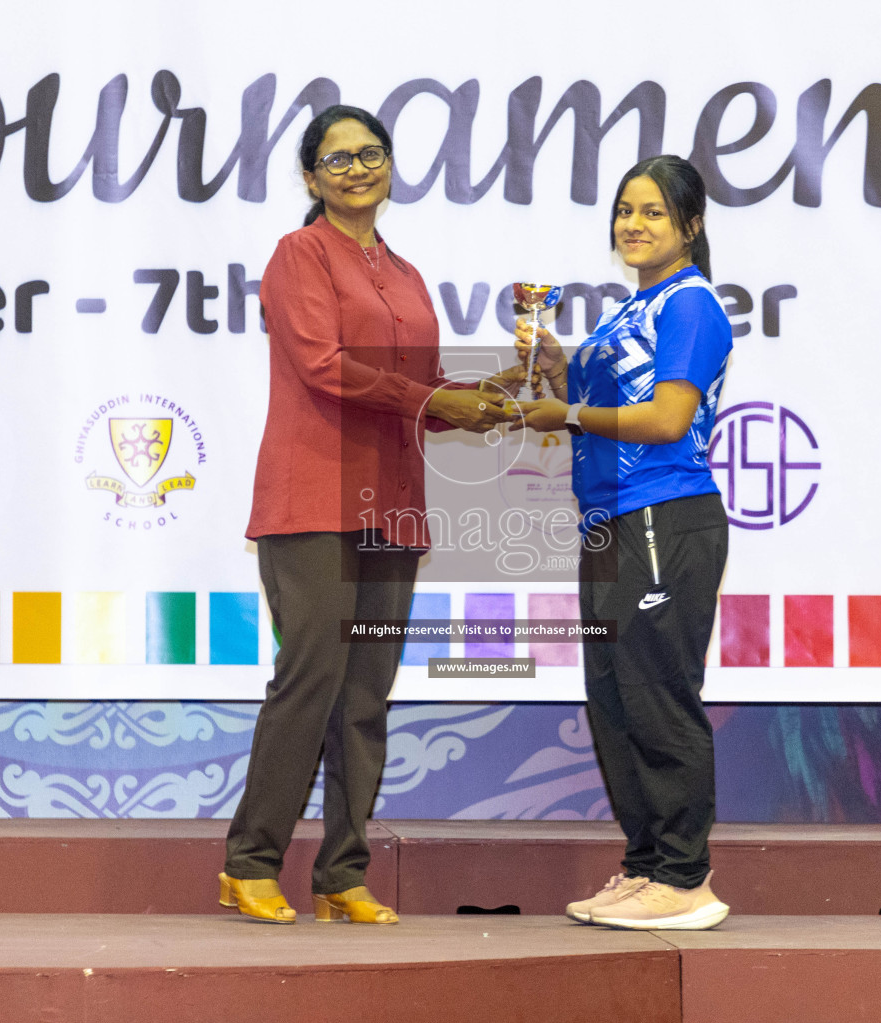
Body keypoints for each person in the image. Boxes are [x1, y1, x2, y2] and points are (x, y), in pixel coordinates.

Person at [220, 105, 509, 924]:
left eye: (370, 153)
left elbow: (421, 390)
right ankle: (249, 862)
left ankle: (344, 875)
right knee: (310, 680)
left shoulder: (408, 274)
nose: (356, 168)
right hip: (312, 498)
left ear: (391, 167)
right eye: (336, 159)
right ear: (310, 178)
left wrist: (483, 402)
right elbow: (325, 368)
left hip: (395, 505)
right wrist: (436, 397)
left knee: (367, 696)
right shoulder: (297, 256)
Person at [512, 154, 732, 930]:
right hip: (609, 519)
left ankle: (684, 876)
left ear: (691, 226)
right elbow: (607, 407)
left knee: (656, 694)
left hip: (663, 516)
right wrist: (562, 374)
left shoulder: (692, 305)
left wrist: (568, 415)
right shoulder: (629, 311)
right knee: (613, 700)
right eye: (625, 212)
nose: (634, 226)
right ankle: (645, 867)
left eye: (654, 214)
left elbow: (667, 420)